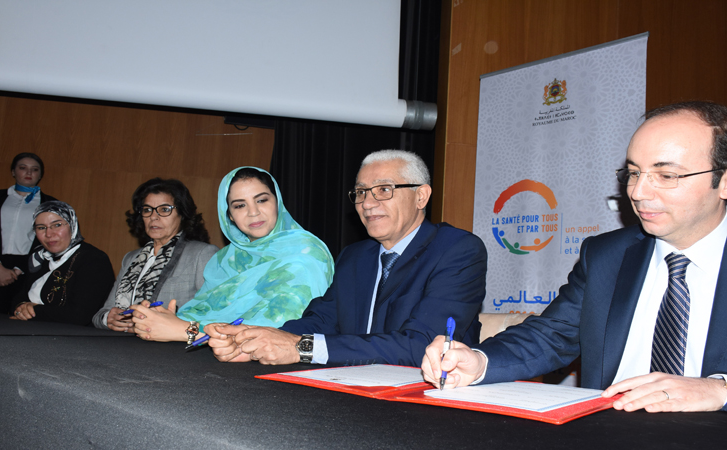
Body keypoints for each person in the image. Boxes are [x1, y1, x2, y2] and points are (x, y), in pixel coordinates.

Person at [422, 101, 727, 413]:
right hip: (606, 429)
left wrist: (720, 389)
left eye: (666, 175)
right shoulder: (607, 255)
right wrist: (479, 362)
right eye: (634, 173)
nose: (637, 192)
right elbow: (551, 336)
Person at [205, 150, 487, 367]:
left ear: (421, 196)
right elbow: (321, 321)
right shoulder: (355, 256)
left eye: (384, 190)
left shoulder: (457, 250)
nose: (367, 203)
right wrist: (258, 340)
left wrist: (301, 348)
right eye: (361, 192)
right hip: (348, 391)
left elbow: (424, 345)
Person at [128, 167, 334, 343]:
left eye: (262, 200)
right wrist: (160, 318)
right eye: (240, 205)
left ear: (278, 202)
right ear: (230, 216)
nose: (253, 212)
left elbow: (276, 334)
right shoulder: (225, 259)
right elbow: (202, 313)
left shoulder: (306, 252)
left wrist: (186, 331)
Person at [92, 178, 219, 332]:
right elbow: (100, 314)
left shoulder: (202, 254)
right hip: (120, 343)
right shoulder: (131, 258)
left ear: (182, 214)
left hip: (173, 345)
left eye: (164, 209)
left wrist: (172, 326)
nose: (153, 216)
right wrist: (109, 319)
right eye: (147, 210)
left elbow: (215, 315)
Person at [10, 201, 114, 326]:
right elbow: (17, 299)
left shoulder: (93, 259)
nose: (49, 234)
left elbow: (80, 315)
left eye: (57, 225)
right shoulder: (39, 257)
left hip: (72, 335)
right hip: (31, 330)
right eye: (41, 228)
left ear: (72, 225)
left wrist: (33, 311)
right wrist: (21, 306)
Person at [0, 153, 57, 314]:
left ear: (40, 175)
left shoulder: (49, 203)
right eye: (23, 168)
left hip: (27, 267)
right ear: (13, 171)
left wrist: (17, 270)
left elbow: (48, 240)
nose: (29, 173)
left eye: (34, 169)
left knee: (16, 316)